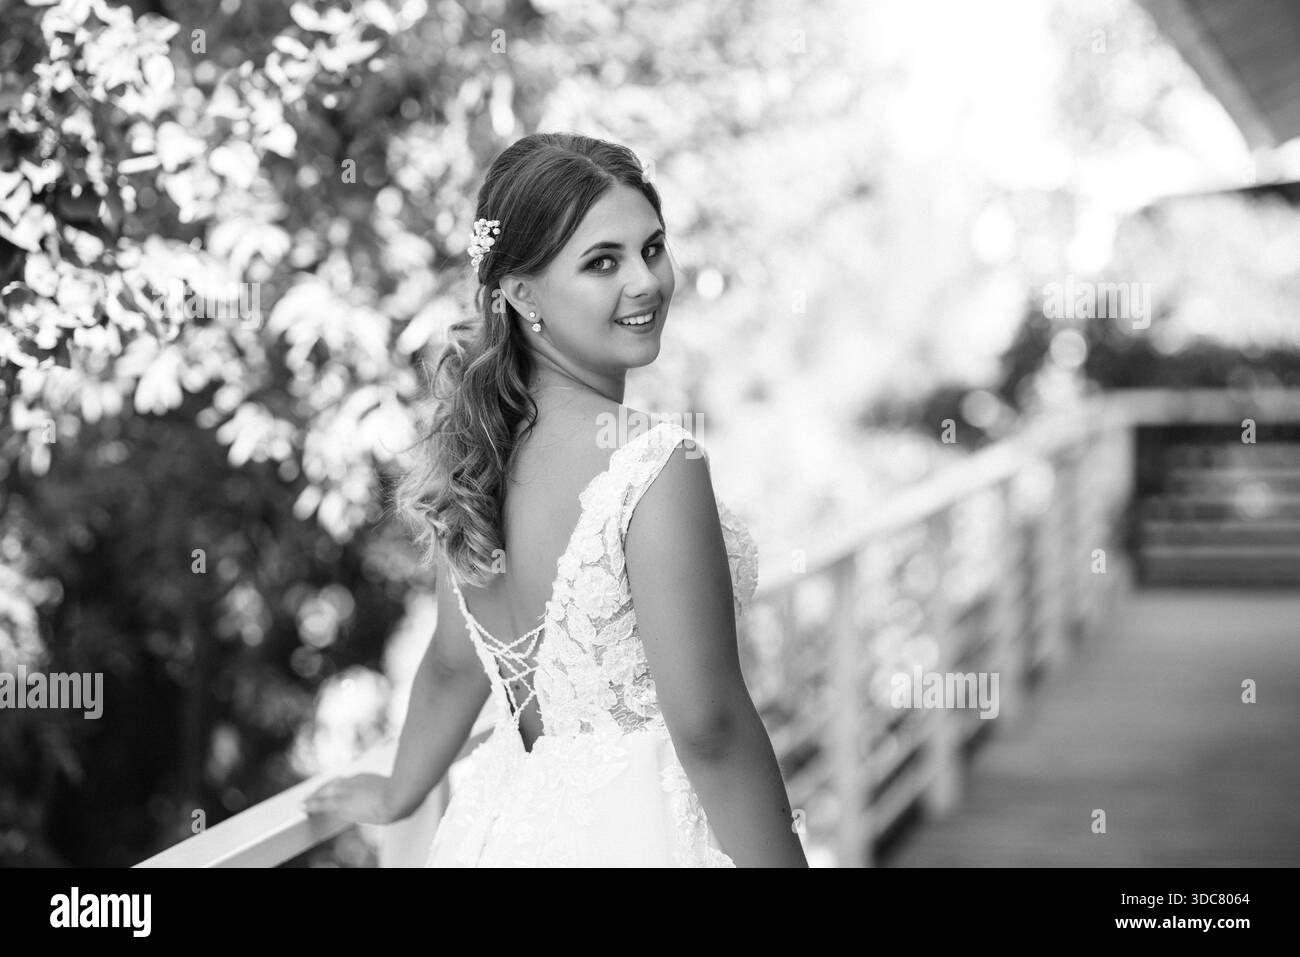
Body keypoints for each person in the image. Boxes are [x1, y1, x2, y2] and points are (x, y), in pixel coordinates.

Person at [304, 132, 808, 867]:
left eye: (653, 247)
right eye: (603, 261)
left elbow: (451, 666)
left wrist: (397, 793)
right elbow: (710, 727)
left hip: (504, 834)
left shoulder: (477, 460)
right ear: (522, 292)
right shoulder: (655, 464)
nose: (645, 281)